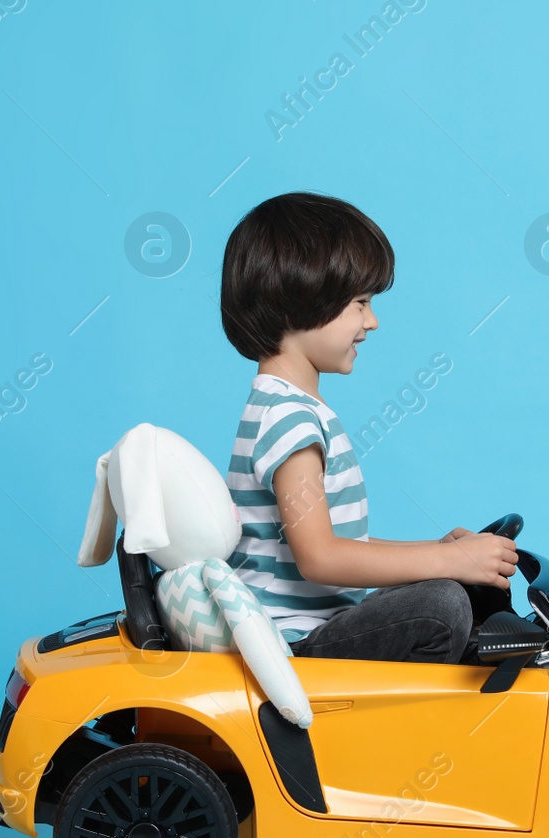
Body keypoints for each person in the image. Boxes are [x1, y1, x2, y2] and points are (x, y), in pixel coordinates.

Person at [219, 192, 518, 664]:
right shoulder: (289, 418)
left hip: (317, 625)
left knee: (443, 587)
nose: (372, 322)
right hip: (295, 643)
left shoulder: (287, 407)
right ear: (300, 301)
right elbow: (319, 557)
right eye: (359, 303)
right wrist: (449, 563)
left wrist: (434, 552)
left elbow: (343, 544)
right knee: (441, 605)